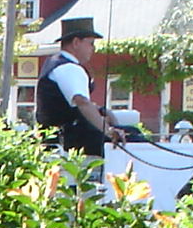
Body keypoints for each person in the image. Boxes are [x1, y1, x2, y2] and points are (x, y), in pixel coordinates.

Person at [33, 17, 127, 158]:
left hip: (61, 135)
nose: (93, 49)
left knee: (128, 132)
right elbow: (82, 102)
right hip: (73, 138)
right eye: (90, 43)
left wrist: (102, 111)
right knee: (133, 138)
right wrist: (108, 130)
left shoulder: (55, 63)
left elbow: (74, 105)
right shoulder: (69, 68)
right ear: (76, 42)